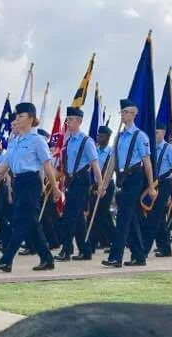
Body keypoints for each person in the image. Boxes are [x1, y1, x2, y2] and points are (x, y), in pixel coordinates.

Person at [0, 102, 61, 272]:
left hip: (31, 182)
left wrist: (55, 188)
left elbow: (47, 166)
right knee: (31, 222)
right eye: (17, 116)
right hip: (19, 182)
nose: (17, 119)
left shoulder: (37, 141)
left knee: (19, 222)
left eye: (21, 116)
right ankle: (47, 258)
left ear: (31, 119)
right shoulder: (15, 141)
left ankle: (6, 260)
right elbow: (6, 164)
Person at [102, 98, 156, 268]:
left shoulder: (140, 136)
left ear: (134, 114)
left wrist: (151, 186)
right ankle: (139, 255)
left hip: (135, 177)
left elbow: (147, 162)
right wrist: (104, 184)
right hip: (122, 178)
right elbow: (112, 162)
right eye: (122, 112)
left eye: (126, 112)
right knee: (131, 218)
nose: (123, 115)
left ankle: (115, 257)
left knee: (123, 217)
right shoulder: (118, 137)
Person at [56, 106, 102, 261]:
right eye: (67, 119)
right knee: (78, 219)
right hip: (71, 181)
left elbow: (95, 165)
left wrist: (100, 184)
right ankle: (85, 250)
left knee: (69, 216)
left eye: (71, 120)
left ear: (79, 121)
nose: (68, 123)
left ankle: (66, 250)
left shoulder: (86, 141)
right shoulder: (68, 142)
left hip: (82, 181)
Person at [143, 121, 172, 258]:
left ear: (164, 133)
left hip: (165, 184)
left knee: (154, 217)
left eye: (157, 132)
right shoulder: (151, 149)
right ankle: (165, 248)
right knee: (159, 218)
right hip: (152, 184)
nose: (154, 135)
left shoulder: (170, 149)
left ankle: (144, 248)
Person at [91, 126, 116, 251]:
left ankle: (107, 239)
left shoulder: (112, 152)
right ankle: (105, 240)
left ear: (108, 138)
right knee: (98, 214)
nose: (99, 138)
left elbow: (109, 171)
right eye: (98, 136)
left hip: (107, 185)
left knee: (102, 213)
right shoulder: (94, 150)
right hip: (95, 185)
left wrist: (103, 186)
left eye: (101, 136)